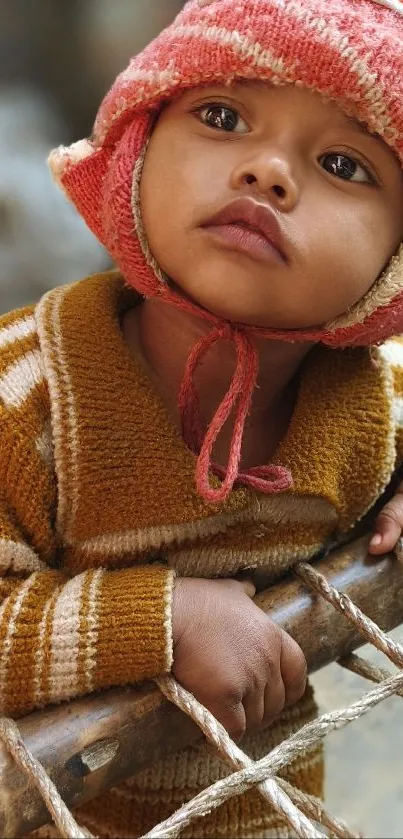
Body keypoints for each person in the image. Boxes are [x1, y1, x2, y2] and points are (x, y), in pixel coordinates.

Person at [1, 0, 403, 835]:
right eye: (220, 116)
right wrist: (164, 618)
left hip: (263, 810)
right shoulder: (23, 397)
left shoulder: (365, 408)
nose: (268, 173)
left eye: (343, 163)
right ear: (135, 149)